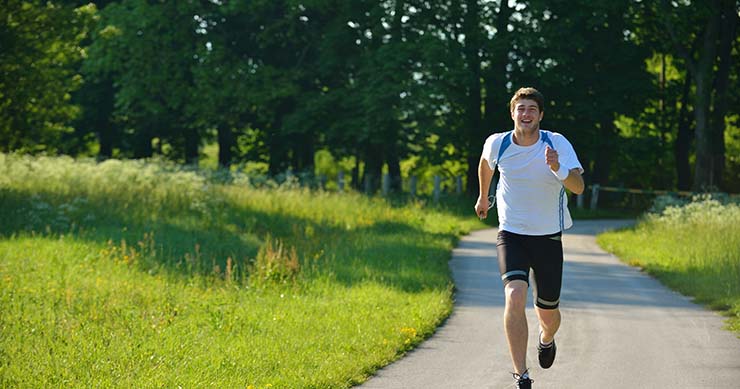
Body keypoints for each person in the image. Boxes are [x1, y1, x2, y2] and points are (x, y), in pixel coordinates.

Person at [474, 87, 584, 389]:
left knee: (548, 315)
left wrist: (557, 167)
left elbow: (578, 187)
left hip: (547, 237)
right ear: (512, 113)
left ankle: (546, 339)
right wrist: (484, 197)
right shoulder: (497, 143)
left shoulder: (556, 143)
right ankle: (521, 375)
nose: (526, 114)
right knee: (514, 295)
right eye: (521, 108)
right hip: (511, 233)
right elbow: (486, 164)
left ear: (541, 115)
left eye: (532, 109)